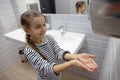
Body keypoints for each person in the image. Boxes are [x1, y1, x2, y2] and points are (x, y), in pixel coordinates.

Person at [20, 10, 98, 80]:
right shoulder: (29, 50)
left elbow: (59, 52)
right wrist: (72, 63)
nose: (43, 29)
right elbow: (47, 69)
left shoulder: (49, 38)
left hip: (57, 76)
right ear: (27, 30)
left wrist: (77, 56)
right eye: (38, 27)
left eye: (44, 24)